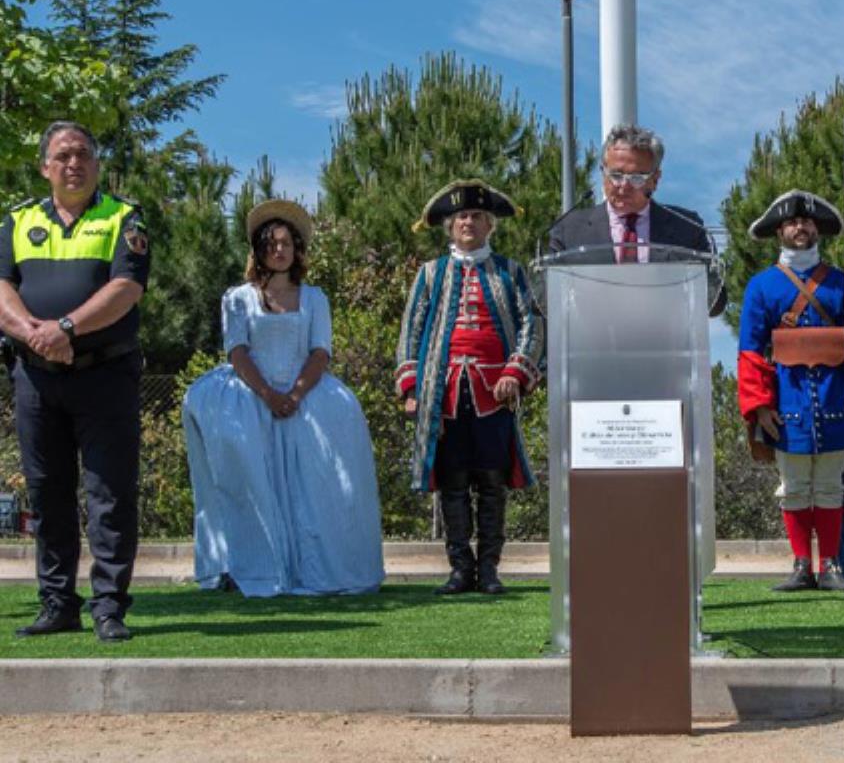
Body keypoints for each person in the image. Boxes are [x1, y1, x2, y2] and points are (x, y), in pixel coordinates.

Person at [182, 199, 384, 596]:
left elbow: (320, 352)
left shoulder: (314, 298)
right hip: (251, 393)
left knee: (326, 481)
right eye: (271, 244)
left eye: (286, 243)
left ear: (296, 250)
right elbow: (237, 351)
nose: (279, 250)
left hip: (307, 394)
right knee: (244, 476)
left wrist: (294, 394)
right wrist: (267, 394)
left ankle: (318, 568)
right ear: (258, 250)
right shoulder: (237, 298)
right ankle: (245, 564)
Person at [0, 121, 148, 642]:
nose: (73, 164)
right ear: (45, 166)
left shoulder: (123, 217)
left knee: (109, 494)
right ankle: (58, 603)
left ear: (97, 164)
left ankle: (109, 607)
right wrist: (35, 336)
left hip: (105, 375)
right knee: (48, 493)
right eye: (62, 156)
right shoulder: (16, 221)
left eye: (83, 154)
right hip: (37, 378)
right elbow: (1, 288)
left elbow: (127, 289)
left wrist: (65, 327)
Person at [397, 180, 543, 596]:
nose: (468, 222)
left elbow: (532, 325)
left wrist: (515, 372)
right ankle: (460, 569)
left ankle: (490, 570)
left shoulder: (511, 272)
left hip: (494, 391)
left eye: (477, 216)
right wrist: (410, 389)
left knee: (492, 483)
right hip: (442, 392)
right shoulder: (429, 274)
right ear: (450, 226)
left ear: (489, 225)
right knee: (453, 481)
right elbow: (411, 330)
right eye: (461, 216)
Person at [738, 190, 844, 591]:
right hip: (788, 399)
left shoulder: (842, 283)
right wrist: (758, 406)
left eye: (806, 221)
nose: (799, 227)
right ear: (779, 231)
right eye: (791, 222)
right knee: (794, 487)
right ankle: (802, 565)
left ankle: (831, 566)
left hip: (838, 396)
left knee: (830, 486)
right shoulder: (762, 286)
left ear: (816, 229)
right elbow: (751, 351)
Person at [547, 123, 725, 315]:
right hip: (591, 341)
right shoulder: (570, 229)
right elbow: (544, 299)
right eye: (616, 175)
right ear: (602, 172)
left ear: (655, 179)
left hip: (667, 340)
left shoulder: (686, 227)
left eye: (636, 178)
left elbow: (715, 303)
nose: (623, 186)